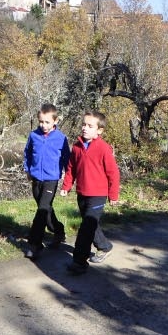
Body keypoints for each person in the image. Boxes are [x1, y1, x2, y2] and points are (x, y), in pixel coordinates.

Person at [60, 111, 120, 275]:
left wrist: (113, 195)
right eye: (84, 124)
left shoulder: (103, 148)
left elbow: (113, 173)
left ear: (99, 130)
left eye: (90, 126)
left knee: (86, 227)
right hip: (82, 193)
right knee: (90, 224)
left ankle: (79, 262)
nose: (85, 128)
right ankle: (105, 246)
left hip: (98, 195)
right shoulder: (77, 146)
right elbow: (71, 168)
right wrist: (66, 186)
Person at [23, 103, 71, 260]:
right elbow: (27, 153)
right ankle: (58, 231)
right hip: (36, 178)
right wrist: (28, 170)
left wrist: (67, 182)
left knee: (42, 209)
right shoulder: (34, 136)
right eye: (41, 121)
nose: (43, 125)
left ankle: (35, 244)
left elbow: (67, 160)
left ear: (55, 121)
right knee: (46, 209)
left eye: (47, 122)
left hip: (51, 179)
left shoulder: (61, 139)